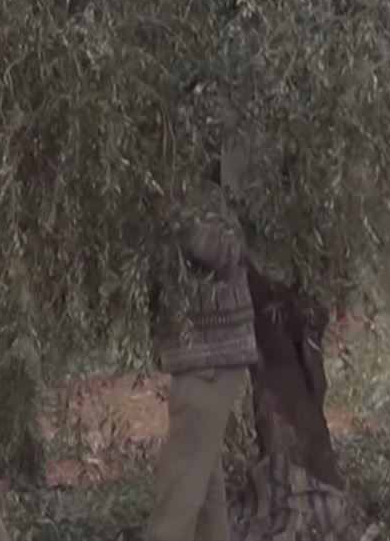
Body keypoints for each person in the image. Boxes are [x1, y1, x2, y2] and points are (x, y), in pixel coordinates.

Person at [146, 184, 260, 541]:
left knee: (178, 495)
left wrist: (176, 218)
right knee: (205, 494)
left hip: (212, 358)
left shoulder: (210, 193)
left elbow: (228, 251)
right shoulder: (175, 183)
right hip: (197, 358)